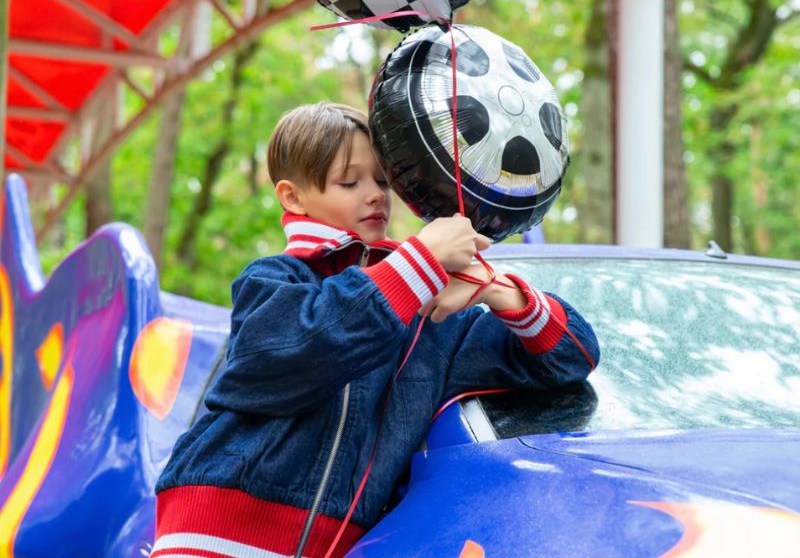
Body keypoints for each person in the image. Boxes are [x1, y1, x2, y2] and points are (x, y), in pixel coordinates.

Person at [152, 102, 599, 558]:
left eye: (384, 181)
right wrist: (421, 261)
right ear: (292, 197)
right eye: (350, 182)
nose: (375, 195)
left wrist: (499, 291)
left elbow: (572, 357)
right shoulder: (272, 281)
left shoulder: (434, 318)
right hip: (212, 529)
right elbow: (308, 344)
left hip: (337, 546)